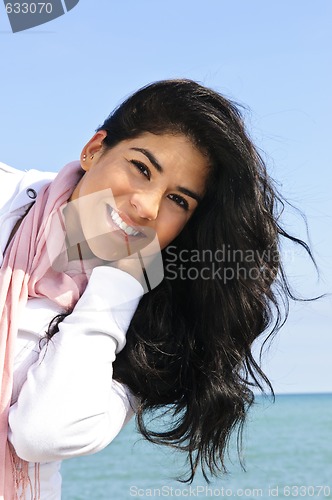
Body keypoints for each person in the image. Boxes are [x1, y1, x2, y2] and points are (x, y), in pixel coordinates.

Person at [0, 79, 314, 499]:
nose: (148, 207)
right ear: (94, 150)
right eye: (141, 168)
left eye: (178, 201)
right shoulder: (7, 199)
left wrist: (121, 282)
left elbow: (43, 433)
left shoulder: (156, 332)